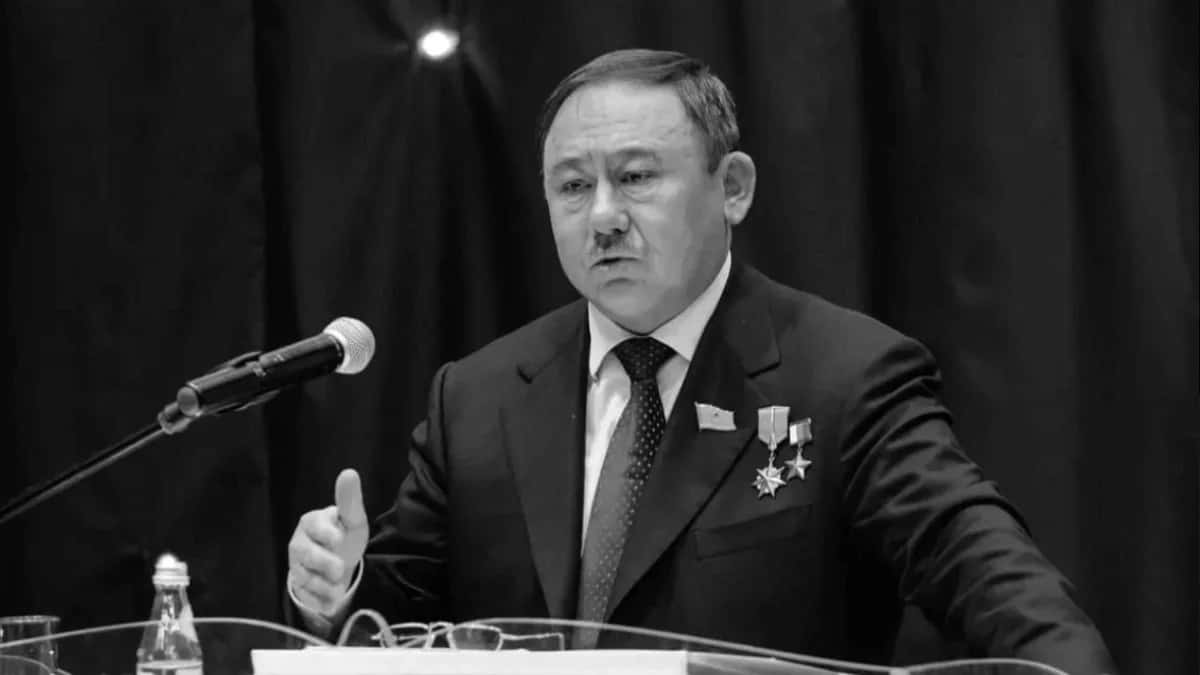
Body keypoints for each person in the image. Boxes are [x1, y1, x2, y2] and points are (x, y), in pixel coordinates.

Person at [285, 49, 1116, 673]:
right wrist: (336, 584)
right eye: (572, 187)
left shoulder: (845, 377)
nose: (602, 215)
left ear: (733, 187)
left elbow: (994, 582)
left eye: (635, 176)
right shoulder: (478, 395)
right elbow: (389, 621)